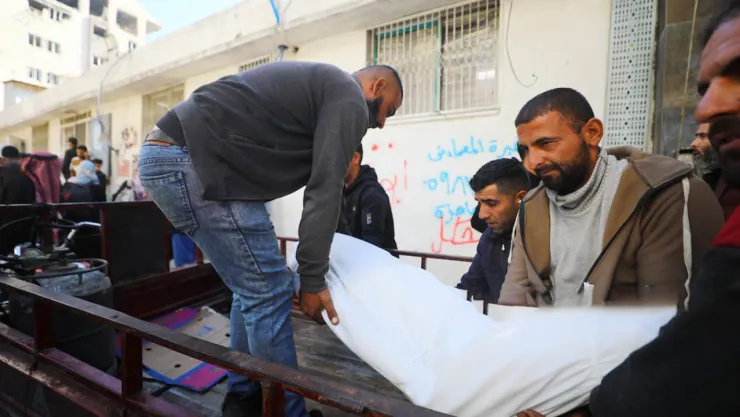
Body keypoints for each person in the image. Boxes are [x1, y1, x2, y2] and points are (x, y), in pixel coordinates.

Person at [137, 61, 402, 417]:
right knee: (271, 291)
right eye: (389, 111)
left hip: (176, 155)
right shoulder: (349, 97)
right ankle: (287, 412)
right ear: (377, 86)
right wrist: (312, 281)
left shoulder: (327, 91)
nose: (382, 123)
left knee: (252, 289)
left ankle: (244, 395)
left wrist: (333, 256)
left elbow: (328, 190)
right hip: (193, 160)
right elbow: (324, 190)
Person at [585, 4, 740, 416]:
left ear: (592, 134)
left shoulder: (667, 192)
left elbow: (685, 362)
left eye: (738, 73)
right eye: (704, 89)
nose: (707, 109)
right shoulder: (534, 205)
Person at [499, 87, 724, 308]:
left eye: (546, 143)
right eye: (525, 150)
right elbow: (513, 302)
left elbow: (665, 314)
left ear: (592, 133)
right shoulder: (531, 208)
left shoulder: (661, 193)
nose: (532, 162)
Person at [455, 158, 530, 303]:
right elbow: (470, 287)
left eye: (491, 203)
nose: (482, 215)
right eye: (479, 203)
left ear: (521, 198)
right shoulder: (490, 237)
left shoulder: (545, 241)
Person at [341, 144, 397, 252]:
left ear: (355, 158)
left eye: (338, 157)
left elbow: (371, 245)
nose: (332, 164)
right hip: (349, 260)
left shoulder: (372, 195)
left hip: (375, 261)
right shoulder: (338, 192)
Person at [0, 146, 36, 255]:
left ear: (3, 158)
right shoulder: (28, 171)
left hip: (6, 220)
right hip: (26, 219)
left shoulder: (3, 172)